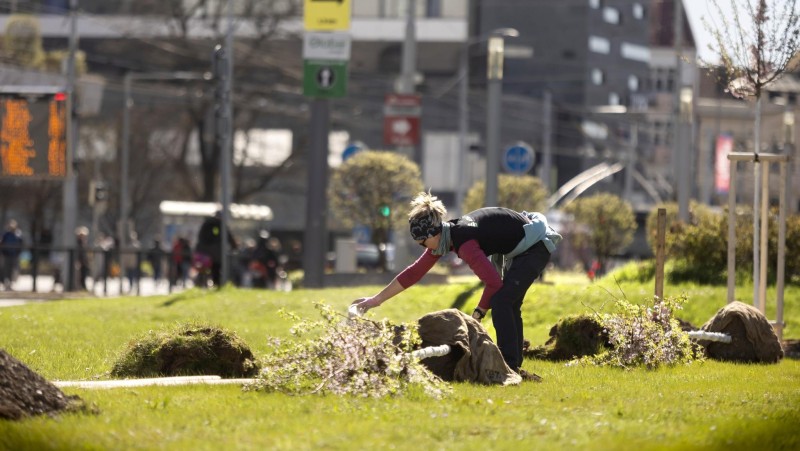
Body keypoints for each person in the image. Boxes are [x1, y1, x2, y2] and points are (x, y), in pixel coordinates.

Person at [351, 192, 562, 376]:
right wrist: (375, 300)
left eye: (423, 243)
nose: (425, 248)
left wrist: (478, 313)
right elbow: (413, 273)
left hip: (536, 246)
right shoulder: (447, 235)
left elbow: (493, 283)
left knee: (502, 302)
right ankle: (512, 364)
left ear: (433, 234)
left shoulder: (464, 243)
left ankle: (508, 366)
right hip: (525, 247)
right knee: (508, 303)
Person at [195, 211, 237, 287]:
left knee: (203, 268)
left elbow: (200, 237)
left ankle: (200, 282)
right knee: (216, 269)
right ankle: (216, 285)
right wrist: (234, 247)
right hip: (215, 252)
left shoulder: (206, 223)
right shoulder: (220, 225)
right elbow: (229, 237)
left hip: (202, 251)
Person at [0, 219, 24, 290]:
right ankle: (6, 283)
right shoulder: (6, 234)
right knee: (5, 270)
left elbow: (21, 244)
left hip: (14, 255)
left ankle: (10, 283)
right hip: (6, 255)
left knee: (13, 270)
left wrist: (18, 253)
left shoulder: (18, 235)